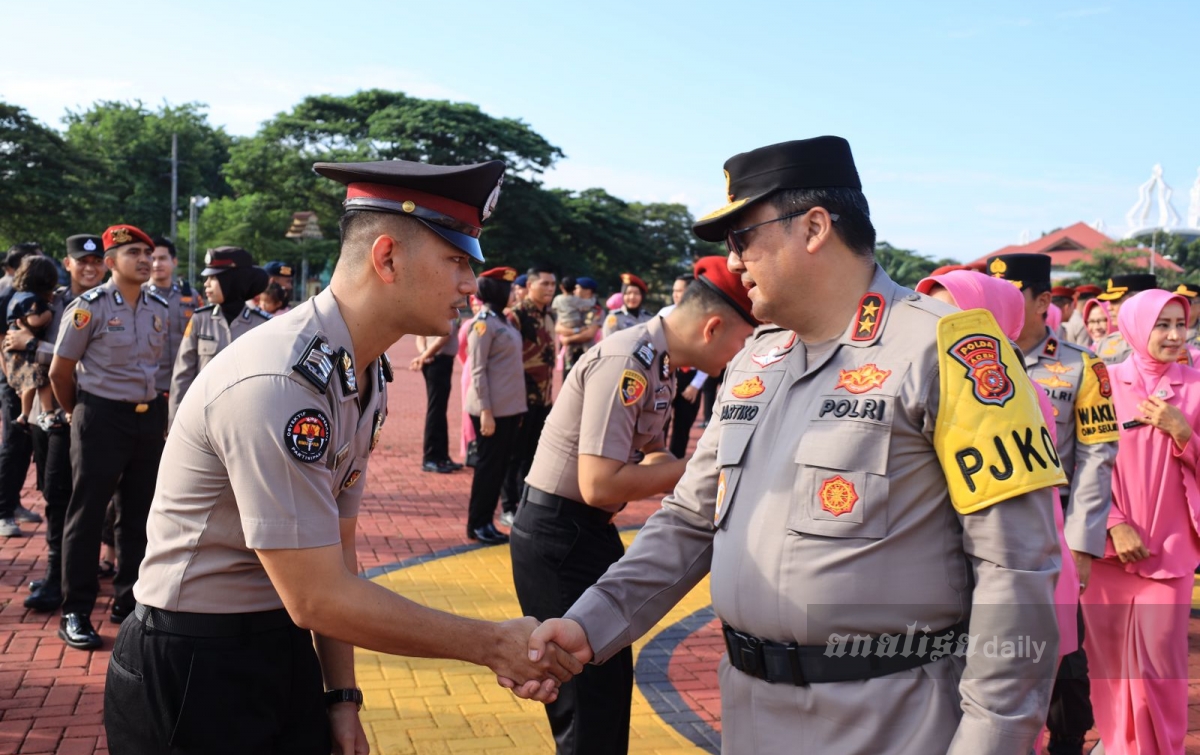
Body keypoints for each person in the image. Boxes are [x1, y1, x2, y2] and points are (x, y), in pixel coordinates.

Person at [522, 137, 1065, 754]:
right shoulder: (758, 358)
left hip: (891, 718)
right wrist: (588, 624)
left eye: (742, 237)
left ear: (812, 227)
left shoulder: (951, 349)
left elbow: (1016, 569)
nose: (733, 262)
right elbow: (692, 519)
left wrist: (992, 741)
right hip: (749, 710)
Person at [104, 158, 581, 755]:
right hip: (198, 663)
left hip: (280, 643)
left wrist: (340, 697)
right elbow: (318, 595)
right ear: (386, 258)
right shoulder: (282, 379)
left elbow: (341, 549)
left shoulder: (361, 369)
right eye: (457, 260)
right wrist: (490, 643)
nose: (470, 283)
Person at [511, 254, 757, 755]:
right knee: (586, 710)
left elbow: (652, 452)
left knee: (605, 692)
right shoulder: (628, 359)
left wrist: (694, 476)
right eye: (743, 341)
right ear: (713, 327)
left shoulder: (658, 361)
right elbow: (599, 484)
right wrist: (712, 462)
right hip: (560, 536)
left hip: (586, 533)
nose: (742, 357)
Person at [982, 254, 1121, 755]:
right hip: (984, 526)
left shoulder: (1084, 366)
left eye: (1012, 295)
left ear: (1043, 302)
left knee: (1063, 651)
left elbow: (1097, 456)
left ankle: (1066, 740)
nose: (999, 305)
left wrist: (1082, 542)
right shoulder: (971, 362)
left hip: (1054, 525)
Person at [1081, 289, 1200, 755]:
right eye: (1161, 325)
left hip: (1169, 553)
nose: (1173, 335)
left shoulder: (1195, 387)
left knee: (1160, 668)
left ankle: (1159, 748)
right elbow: (1080, 462)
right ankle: (1119, 745)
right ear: (1134, 326)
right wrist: (1113, 522)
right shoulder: (1102, 384)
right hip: (1109, 553)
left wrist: (1184, 432)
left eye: (1180, 324)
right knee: (1108, 668)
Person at [48, 224, 169, 649]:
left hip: (147, 417)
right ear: (111, 261)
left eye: (148, 253)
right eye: (133, 252)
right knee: (87, 512)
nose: (144, 260)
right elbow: (60, 371)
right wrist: (76, 412)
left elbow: (162, 372)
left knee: (139, 514)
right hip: (99, 415)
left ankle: (129, 601)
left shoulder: (159, 307)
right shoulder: (89, 308)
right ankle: (76, 609)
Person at [11, 235, 106, 612]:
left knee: (85, 500)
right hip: (50, 417)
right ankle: (58, 572)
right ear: (67, 263)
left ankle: (67, 578)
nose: (89, 267)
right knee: (54, 494)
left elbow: (83, 362)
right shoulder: (49, 301)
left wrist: (32, 345)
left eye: (96, 260)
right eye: (81, 260)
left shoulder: (110, 304)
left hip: (89, 412)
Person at [167, 247, 271, 425]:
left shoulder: (263, 325)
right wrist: (175, 424)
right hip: (203, 421)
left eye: (214, 277)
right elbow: (182, 376)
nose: (206, 283)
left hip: (248, 422)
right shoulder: (200, 319)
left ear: (232, 280)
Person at [465, 267, 527, 544]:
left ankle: (487, 522)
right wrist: (486, 412)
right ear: (498, 291)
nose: (515, 293)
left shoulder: (505, 321)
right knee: (488, 471)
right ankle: (477, 524)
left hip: (509, 411)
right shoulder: (483, 324)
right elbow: (477, 371)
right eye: (510, 288)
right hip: (490, 411)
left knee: (499, 469)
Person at [498, 264, 557, 526]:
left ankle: (525, 503)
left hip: (543, 399)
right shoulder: (516, 315)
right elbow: (507, 360)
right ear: (530, 285)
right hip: (520, 397)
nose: (550, 289)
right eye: (544, 284)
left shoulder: (549, 316)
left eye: (552, 285)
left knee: (533, 453)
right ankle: (509, 506)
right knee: (513, 455)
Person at [0, 242, 48, 537]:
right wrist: (12, 381)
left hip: (27, 374)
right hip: (15, 378)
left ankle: (13, 503)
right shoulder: (7, 293)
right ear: (12, 268)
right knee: (14, 442)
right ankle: (3, 510)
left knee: (25, 442)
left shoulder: (33, 294)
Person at [658, 274, 710, 459]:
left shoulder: (705, 316)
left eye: (680, 291)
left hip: (691, 377)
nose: (676, 295)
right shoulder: (664, 314)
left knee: (683, 425)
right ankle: (656, 464)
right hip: (666, 375)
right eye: (674, 291)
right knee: (659, 425)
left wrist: (696, 385)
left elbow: (708, 351)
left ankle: (673, 466)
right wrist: (663, 379)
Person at [5, 256, 60, 427]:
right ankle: (47, 412)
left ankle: (24, 414)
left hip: (15, 348)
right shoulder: (31, 299)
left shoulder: (18, 295)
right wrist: (49, 312)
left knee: (30, 383)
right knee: (42, 379)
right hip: (24, 349)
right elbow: (35, 320)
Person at [410, 302, 463, 473]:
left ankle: (441, 456)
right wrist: (425, 356)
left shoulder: (429, 308)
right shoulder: (446, 309)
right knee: (436, 410)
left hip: (434, 361)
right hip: (438, 362)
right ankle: (432, 457)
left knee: (439, 410)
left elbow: (421, 337)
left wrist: (423, 355)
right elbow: (444, 337)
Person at [146, 236, 199, 402]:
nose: (156, 264)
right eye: (152, 259)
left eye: (162, 258)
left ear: (174, 261)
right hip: (150, 386)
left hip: (185, 384)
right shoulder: (139, 296)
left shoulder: (190, 296)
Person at [1094, 274, 1158, 364]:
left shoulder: (1165, 342)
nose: (1109, 308)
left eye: (1115, 301)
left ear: (1140, 300)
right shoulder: (1105, 343)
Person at [555, 276, 603, 376]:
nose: (574, 290)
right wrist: (576, 331)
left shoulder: (597, 310)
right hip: (570, 355)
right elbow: (558, 328)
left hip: (587, 353)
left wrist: (568, 339)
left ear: (588, 291)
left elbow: (589, 334)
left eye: (577, 287)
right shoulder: (569, 306)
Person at [601, 273, 653, 337]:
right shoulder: (614, 318)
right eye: (628, 293)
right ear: (623, 296)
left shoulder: (649, 319)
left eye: (636, 293)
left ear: (642, 296)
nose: (632, 297)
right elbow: (608, 343)